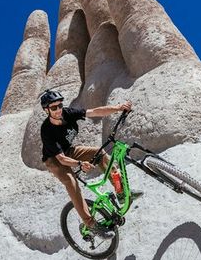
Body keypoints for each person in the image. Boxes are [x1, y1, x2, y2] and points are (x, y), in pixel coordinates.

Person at [39, 89, 138, 239]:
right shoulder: (46, 130)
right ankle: (91, 224)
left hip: (69, 151)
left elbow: (95, 112)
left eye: (60, 105)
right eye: (54, 107)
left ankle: (121, 192)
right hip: (54, 160)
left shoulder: (68, 113)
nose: (58, 110)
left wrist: (118, 108)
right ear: (46, 110)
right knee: (71, 182)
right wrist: (79, 164)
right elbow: (61, 159)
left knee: (99, 153)